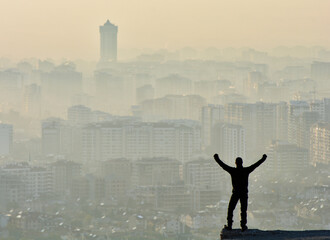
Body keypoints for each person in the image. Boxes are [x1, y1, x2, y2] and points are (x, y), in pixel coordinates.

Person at [213, 153, 267, 231]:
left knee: (231, 209)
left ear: (235, 163)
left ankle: (230, 225)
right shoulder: (246, 170)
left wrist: (216, 158)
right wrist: (263, 158)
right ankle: (243, 226)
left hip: (236, 193)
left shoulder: (233, 171)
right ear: (242, 163)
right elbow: (256, 164)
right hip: (244, 193)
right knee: (243, 210)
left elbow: (222, 165)